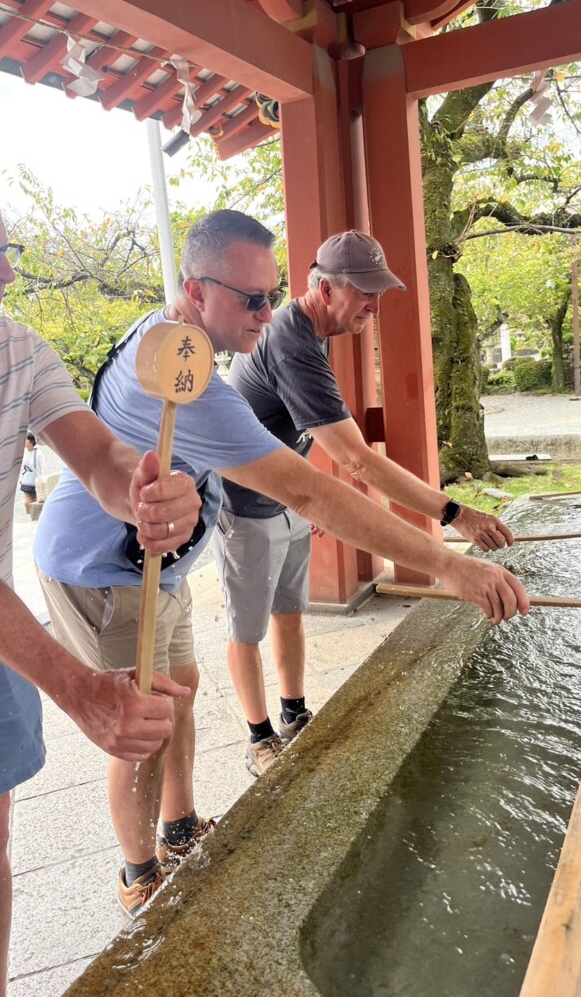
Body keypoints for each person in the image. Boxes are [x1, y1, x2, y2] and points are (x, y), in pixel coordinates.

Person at [34, 210, 529, 919]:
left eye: (272, 295)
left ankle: (178, 833)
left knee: (178, 694)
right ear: (194, 290)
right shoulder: (189, 380)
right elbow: (313, 487)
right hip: (105, 568)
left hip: (159, 565)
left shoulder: (180, 340)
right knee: (141, 729)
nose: (267, 313)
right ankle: (139, 876)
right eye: (251, 299)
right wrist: (450, 566)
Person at [0, 150, 202, 997]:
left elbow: (94, 453)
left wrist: (145, 492)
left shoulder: (15, 348)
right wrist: (77, 684)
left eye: (6, 249)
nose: (3, 271)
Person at [212, 229, 519, 777]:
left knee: (289, 613)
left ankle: (294, 714)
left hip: (289, 497)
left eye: (378, 291)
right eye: (364, 292)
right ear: (325, 289)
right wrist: (455, 516)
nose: (374, 305)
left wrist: (315, 505)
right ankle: (259, 740)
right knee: (247, 628)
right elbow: (358, 459)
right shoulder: (289, 339)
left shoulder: (315, 331)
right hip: (244, 504)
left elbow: (309, 434)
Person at [19, 431, 44, 515]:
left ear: (31, 441)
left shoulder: (38, 453)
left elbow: (42, 468)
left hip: (36, 480)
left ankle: (36, 518)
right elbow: (22, 467)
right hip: (26, 480)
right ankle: (30, 517)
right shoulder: (24, 453)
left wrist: (41, 479)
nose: (24, 442)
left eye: (26, 440)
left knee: (37, 501)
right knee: (26, 502)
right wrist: (21, 479)